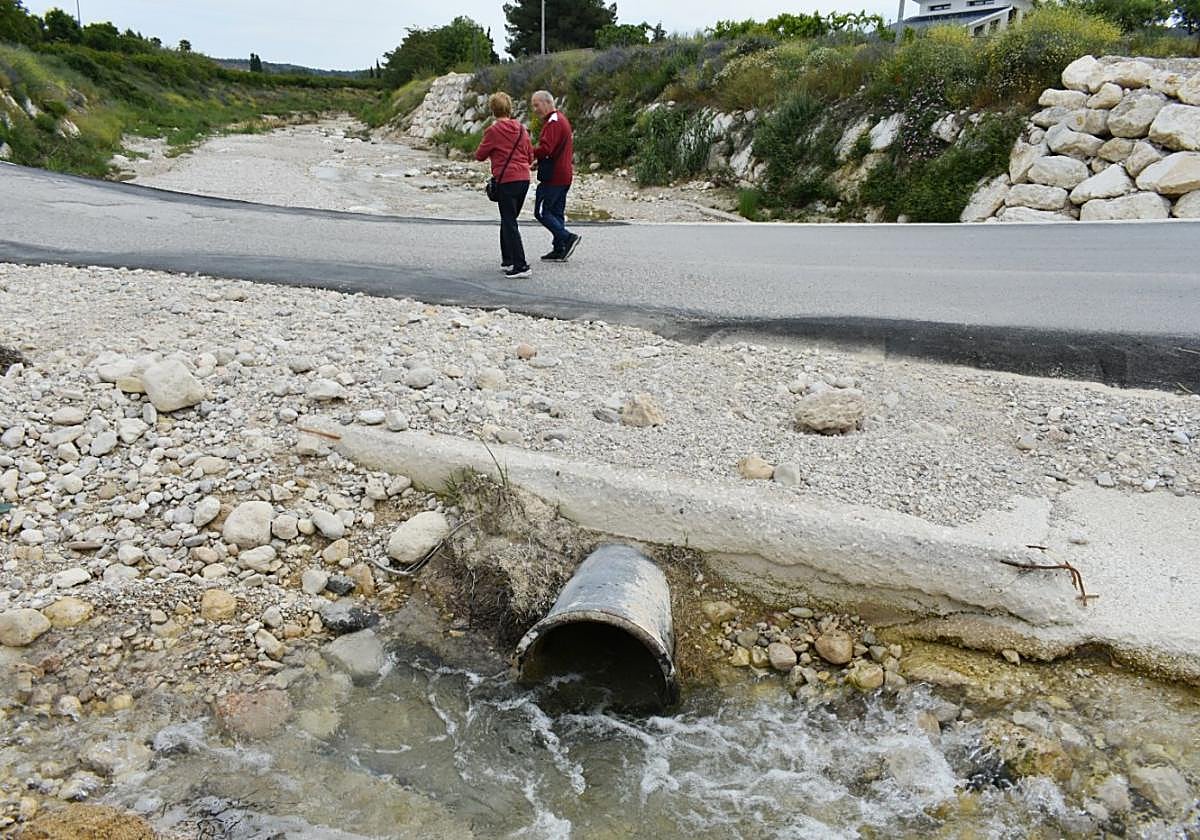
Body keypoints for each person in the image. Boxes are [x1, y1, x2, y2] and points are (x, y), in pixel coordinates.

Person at [475, 92, 535, 279]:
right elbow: (530, 156)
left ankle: (521, 265)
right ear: (510, 108)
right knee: (509, 219)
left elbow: (480, 155)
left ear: (492, 110)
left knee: (509, 222)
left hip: (506, 179)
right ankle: (507, 259)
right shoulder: (522, 129)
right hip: (524, 178)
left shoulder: (493, 131)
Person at [530, 90, 581, 263]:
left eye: (536, 105)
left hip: (553, 177)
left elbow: (546, 149)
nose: (535, 109)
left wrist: (528, 152)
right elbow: (554, 151)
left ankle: (567, 238)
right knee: (556, 212)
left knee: (541, 212)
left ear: (547, 102)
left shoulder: (553, 122)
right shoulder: (560, 119)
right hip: (564, 174)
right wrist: (539, 162)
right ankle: (559, 248)